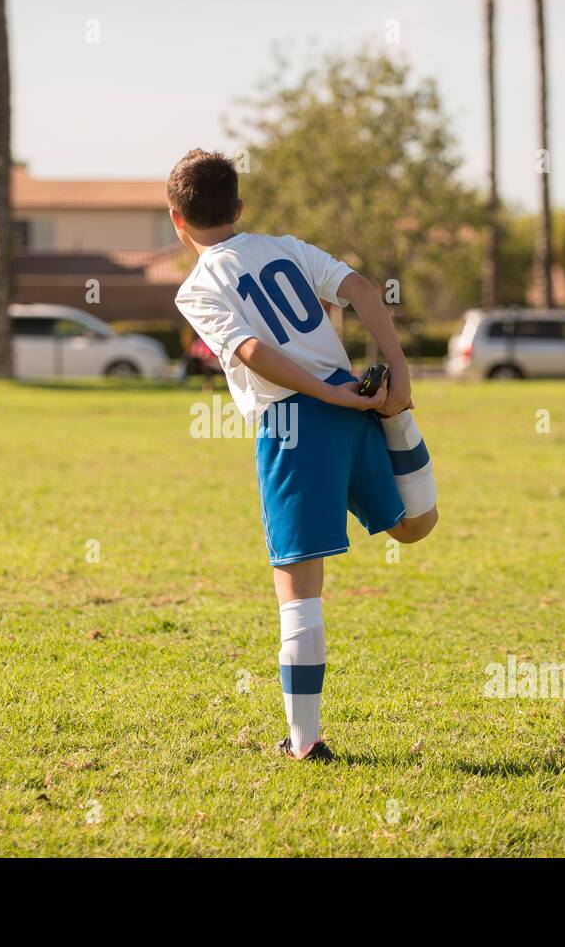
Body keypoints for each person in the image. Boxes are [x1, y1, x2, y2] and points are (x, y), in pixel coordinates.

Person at [168, 149, 438, 762]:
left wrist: (324, 392)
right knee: (414, 526)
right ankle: (400, 419)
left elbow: (253, 352)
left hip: (294, 425)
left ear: (176, 221)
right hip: (356, 411)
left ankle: (304, 741)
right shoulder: (285, 246)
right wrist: (394, 369)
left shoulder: (198, 285)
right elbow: (362, 289)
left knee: (299, 588)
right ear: (238, 207)